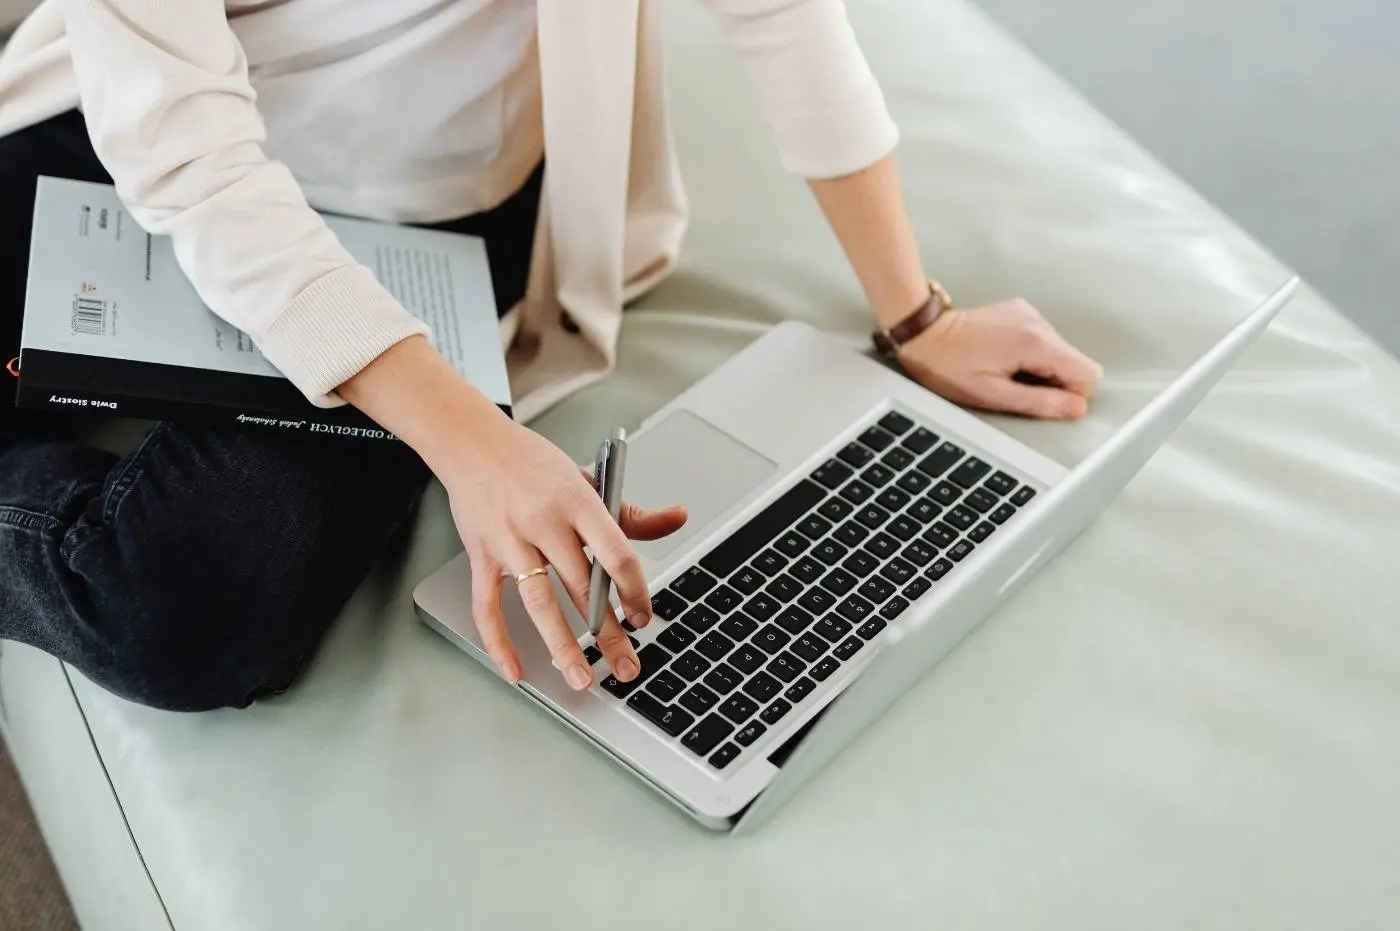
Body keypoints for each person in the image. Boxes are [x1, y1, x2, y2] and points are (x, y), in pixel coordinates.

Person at [0, 1, 1101, 713]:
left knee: (180, 609)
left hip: (411, 223)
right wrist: (470, 438)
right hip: (125, 143)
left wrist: (917, 318)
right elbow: (189, 156)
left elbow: (782, 13)